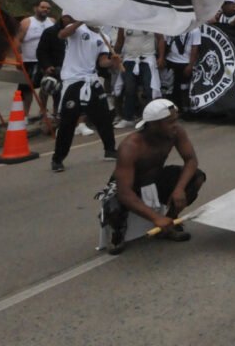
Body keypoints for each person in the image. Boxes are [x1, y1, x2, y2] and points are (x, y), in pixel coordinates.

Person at [105, 99, 205, 255]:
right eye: (170, 122)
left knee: (196, 177)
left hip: (153, 179)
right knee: (114, 207)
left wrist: (179, 189)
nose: (175, 125)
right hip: (130, 186)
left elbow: (191, 160)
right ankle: (116, 232)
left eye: (175, 120)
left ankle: (169, 223)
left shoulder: (176, 132)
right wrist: (155, 218)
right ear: (154, 124)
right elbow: (125, 192)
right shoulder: (130, 146)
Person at [51, 16, 119, 172]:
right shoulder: (77, 30)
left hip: (92, 80)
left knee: (104, 117)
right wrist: (80, 20)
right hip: (73, 80)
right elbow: (62, 34)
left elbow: (102, 61)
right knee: (68, 121)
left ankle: (110, 150)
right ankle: (58, 158)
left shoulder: (104, 37)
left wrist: (112, 62)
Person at [113, 28, 165, 128]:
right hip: (129, 59)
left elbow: (160, 39)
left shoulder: (151, 20)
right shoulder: (123, 22)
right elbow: (119, 42)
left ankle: (153, 118)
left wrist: (161, 57)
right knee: (129, 89)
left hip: (147, 58)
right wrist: (115, 55)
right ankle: (128, 118)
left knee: (150, 89)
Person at [16, 0, 54, 118]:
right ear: (35, 8)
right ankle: (25, 115)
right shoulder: (27, 22)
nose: (45, 10)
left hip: (47, 61)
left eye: (48, 8)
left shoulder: (52, 22)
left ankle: (43, 111)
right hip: (29, 60)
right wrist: (18, 59)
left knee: (46, 86)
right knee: (27, 89)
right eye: (42, 7)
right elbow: (17, 41)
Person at [163, 30, 200, 113]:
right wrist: (163, 57)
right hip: (170, 60)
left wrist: (190, 65)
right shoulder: (173, 25)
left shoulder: (194, 29)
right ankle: (172, 110)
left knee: (184, 88)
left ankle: (185, 110)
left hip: (185, 62)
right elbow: (165, 41)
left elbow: (195, 47)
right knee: (170, 88)